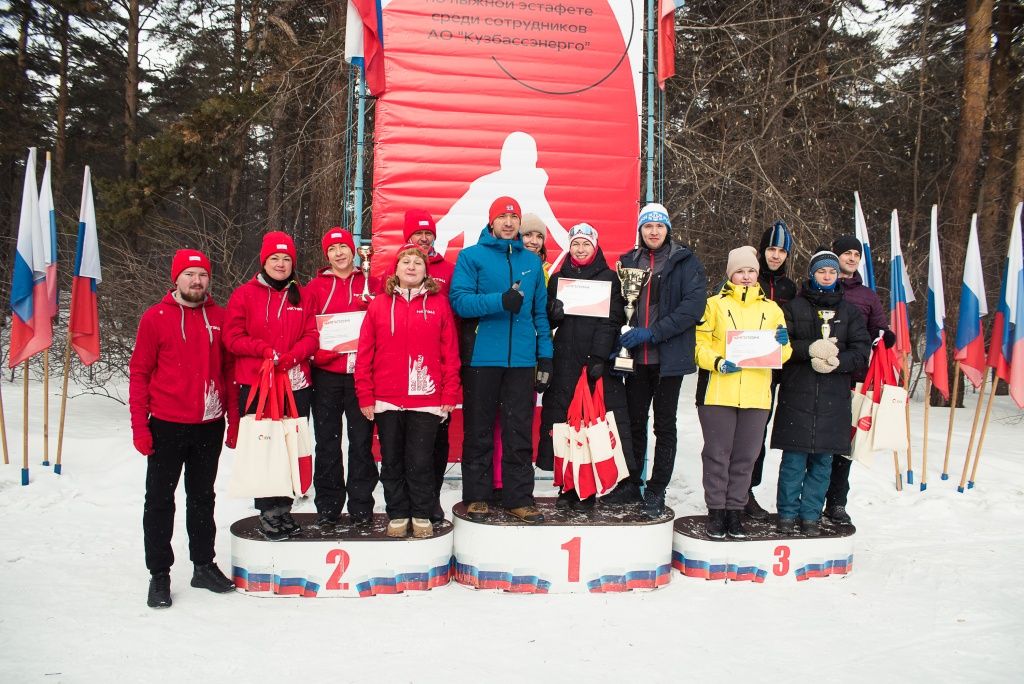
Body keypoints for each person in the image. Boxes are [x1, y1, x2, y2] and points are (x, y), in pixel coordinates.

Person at [129, 249, 237, 608]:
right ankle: (159, 574)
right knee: (160, 500)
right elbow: (140, 374)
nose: (196, 281)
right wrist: (140, 429)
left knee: (203, 497)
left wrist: (232, 420)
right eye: (189, 274)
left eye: (202, 275)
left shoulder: (219, 317)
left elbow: (228, 373)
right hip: (166, 424)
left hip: (208, 424)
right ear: (175, 279)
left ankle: (203, 565)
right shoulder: (155, 318)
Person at [449, 195, 553, 524]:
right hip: (483, 357)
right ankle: (477, 496)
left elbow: (539, 313)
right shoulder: (471, 257)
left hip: (522, 361)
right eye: (502, 218)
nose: (508, 223)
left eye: (514, 218)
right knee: (479, 430)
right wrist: (500, 301)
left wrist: (545, 357)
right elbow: (460, 302)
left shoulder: (532, 262)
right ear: (491, 222)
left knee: (519, 431)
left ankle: (519, 498)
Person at [356, 244, 461, 538]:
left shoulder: (439, 304)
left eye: (418, 262)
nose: (412, 266)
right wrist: (365, 394)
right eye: (406, 262)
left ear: (426, 270)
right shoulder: (378, 304)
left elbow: (450, 353)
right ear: (396, 269)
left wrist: (449, 392)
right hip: (387, 399)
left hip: (427, 400)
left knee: (421, 461)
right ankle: (398, 512)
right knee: (392, 461)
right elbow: (365, 353)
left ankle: (421, 512)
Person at [224, 231, 318, 540]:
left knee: (291, 446)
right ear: (264, 261)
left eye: (286, 259)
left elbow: (312, 335)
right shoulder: (245, 294)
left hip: (295, 383)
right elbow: (232, 337)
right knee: (267, 446)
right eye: (275, 258)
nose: (281, 264)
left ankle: (284, 509)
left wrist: (292, 356)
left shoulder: (301, 295)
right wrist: (263, 350)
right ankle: (267, 511)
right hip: (258, 382)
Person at [538, 223, 640, 509]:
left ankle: (590, 489)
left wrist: (597, 356)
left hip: (594, 366)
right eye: (575, 244)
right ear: (569, 248)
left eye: (585, 244)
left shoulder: (610, 279)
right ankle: (567, 487)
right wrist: (553, 314)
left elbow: (612, 320)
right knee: (565, 429)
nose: (580, 249)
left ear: (595, 247)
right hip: (564, 363)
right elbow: (550, 322)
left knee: (592, 428)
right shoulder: (557, 280)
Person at [771, 250, 870, 536]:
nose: (826, 276)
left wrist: (840, 362)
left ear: (838, 275)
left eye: (831, 272)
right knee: (793, 461)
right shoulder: (794, 307)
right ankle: (787, 515)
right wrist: (808, 349)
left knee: (823, 463)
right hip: (798, 395)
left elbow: (862, 351)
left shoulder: (849, 312)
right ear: (811, 274)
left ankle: (811, 515)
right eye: (820, 271)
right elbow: (781, 346)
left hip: (833, 399)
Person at [617, 202, 707, 516]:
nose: (654, 231)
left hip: (668, 360)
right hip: (635, 359)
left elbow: (691, 310)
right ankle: (631, 482)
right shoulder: (628, 261)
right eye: (647, 226)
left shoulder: (685, 262)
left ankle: (656, 490)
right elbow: (618, 306)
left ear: (667, 228)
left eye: (659, 225)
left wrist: (652, 333)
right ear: (640, 230)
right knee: (633, 423)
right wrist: (619, 333)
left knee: (664, 426)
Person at [695, 246, 791, 538]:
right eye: (740, 271)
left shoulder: (772, 309)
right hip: (718, 393)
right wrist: (718, 363)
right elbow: (699, 345)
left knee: (746, 457)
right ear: (730, 274)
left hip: (757, 395)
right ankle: (716, 511)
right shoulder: (713, 305)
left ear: (757, 274)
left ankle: (736, 511)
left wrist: (784, 343)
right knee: (717, 454)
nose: (746, 276)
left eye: (751, 271)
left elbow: (783, 355)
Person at [303, 227, 377, 528]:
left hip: (361, 376)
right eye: (333, 250)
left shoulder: (369, 281)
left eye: (344, 247)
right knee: (327, 443)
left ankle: (361, 506)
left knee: (361, 443)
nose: (339, 253)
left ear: (353, 249)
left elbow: (382, 320)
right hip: (327, 376)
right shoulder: (315, 288)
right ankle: (329, 507)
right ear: (327, 255)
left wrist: (370, 309)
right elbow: (307, 327)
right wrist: (318, 354)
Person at [825, 235, 897, 526]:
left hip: (853, 378)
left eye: (856, 254)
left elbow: (879, 327)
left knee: (844, 444)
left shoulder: (867, 295)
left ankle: (837, 503)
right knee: (818, 442)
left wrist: (884, 336)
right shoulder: (824, 284)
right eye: (847, 253)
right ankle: (812, 499)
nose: (852, 258)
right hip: (820, 374)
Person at [403, 209, 457, 521]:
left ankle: (431, 498)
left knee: (436, 440)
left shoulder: (447, 269)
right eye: (417, 234)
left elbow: (455, 317)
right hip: (399, 372)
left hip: (435, 370)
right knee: (405, 443)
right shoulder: (393, 271)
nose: (424, 238)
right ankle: (408, 502)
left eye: (428, 234)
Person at [746, 220, 797, 520]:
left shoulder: (791, 288)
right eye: (771, 249)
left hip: (773, 373)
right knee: (741, 433)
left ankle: (748, 489)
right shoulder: (750, 277)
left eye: (781, 251)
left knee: (759, 432)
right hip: (743, 368)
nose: (776, 256)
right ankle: (732, 490)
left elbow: (794, 323)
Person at [520, 213, 553, 281]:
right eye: (528, 235)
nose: (534, 242)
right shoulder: (505, 266)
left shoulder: (548, 271)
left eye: (539, 236)